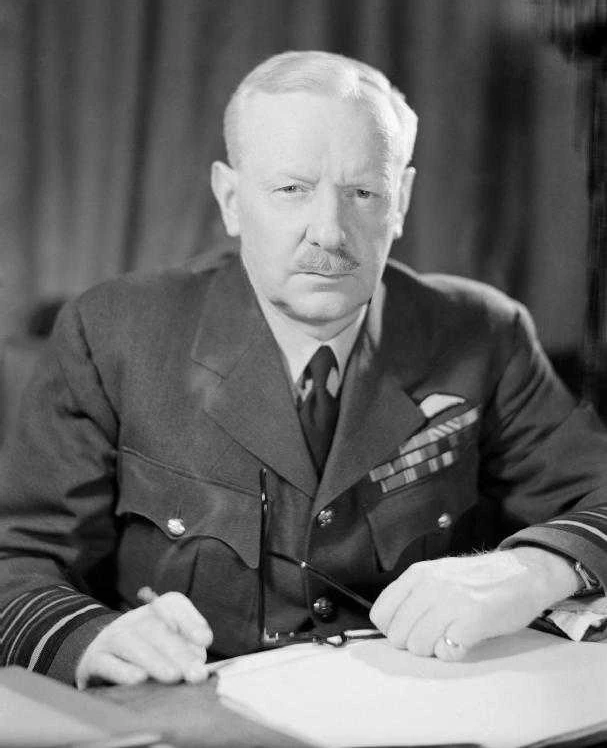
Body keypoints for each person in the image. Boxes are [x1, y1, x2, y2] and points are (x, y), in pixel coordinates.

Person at [1, 51, 606, 690]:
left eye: (363, 192)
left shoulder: (483, 332)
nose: (330, 233)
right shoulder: (113, 332)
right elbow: (18, 556)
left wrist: (535, 570)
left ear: (400, 201)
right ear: (231, 200)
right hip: (198, 708)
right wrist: (90, 637)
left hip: (422, 701)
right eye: (291, 189)